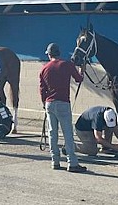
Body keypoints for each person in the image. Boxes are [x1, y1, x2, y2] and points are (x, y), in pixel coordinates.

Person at [39, 42, 87, 173]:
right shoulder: (67, 65)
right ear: (58, 53)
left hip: (49, 103)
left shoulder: (44, 68)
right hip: (63, 102)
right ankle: (72, 162)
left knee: (52, 133)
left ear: (49, 55)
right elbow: (79, 79)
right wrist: (81, 71)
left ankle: (55, 161)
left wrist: (44, 103)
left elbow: (42, 89)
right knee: (67, 134)